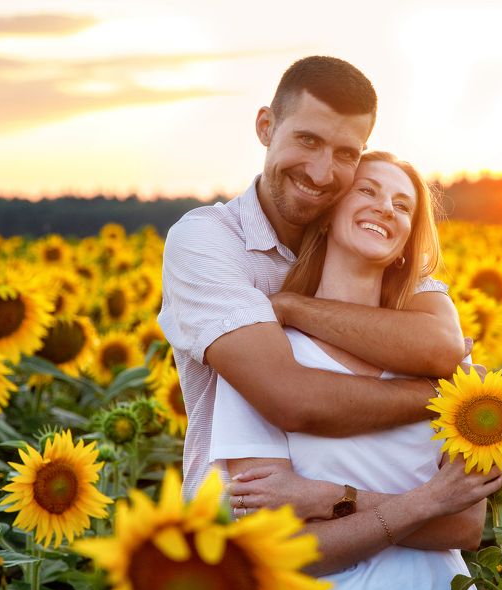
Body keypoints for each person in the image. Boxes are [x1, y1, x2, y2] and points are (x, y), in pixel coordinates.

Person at [211, 152, 499, 590]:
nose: (385, 208)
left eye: (403, 205)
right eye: (367, 191)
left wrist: (327, 497)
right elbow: (280, 549)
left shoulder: (442, 358)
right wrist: (427, 501)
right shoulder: (264, 356)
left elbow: (464, 527)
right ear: (327, 212)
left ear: (409, 242)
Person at [158, 55, 473, 504]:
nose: (322, 172)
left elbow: (440, 344)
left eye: (346, 154)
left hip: (368, 533)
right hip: (231, 535)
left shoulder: (362, 239)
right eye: (307, 139)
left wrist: (292, 307)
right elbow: (290, 399)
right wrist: (446, 395)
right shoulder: (208, 241)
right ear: (266, 127)